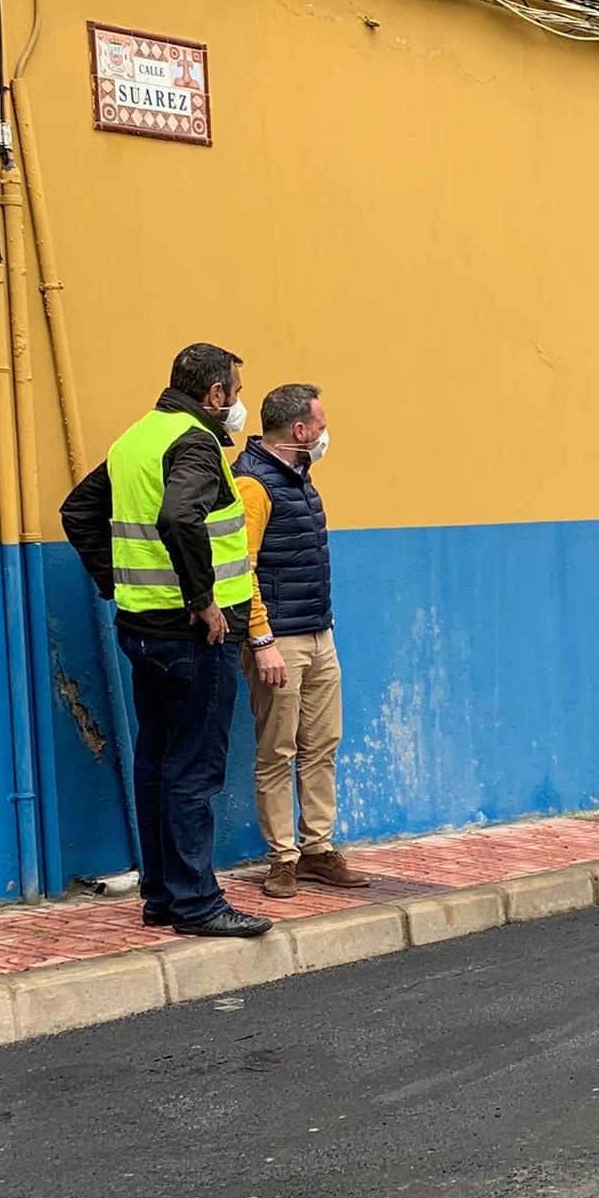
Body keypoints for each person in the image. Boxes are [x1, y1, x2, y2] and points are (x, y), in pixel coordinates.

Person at [59, 344, 271, 937]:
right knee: (193, 770)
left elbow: (78, 511)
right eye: (234, 391)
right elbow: (180, 517)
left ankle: (164, 898)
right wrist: (203, 601)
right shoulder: (196, 442)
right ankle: (198, 903)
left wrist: (113, 580)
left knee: (156, 762)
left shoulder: (136, 438)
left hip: (142, 629)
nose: (236, 404)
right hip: (194, 636)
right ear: (214, 395)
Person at [234, 383, 371, 898]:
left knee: (322, 746)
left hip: (318, 633)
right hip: (280, 641)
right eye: (319, 424)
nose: (323, 433)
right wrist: (262, 638)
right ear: (298, 430)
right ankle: (282, 859)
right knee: (278, 750)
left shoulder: (301, 481)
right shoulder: (253, 484)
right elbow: (239, 569)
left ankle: (318, 849)